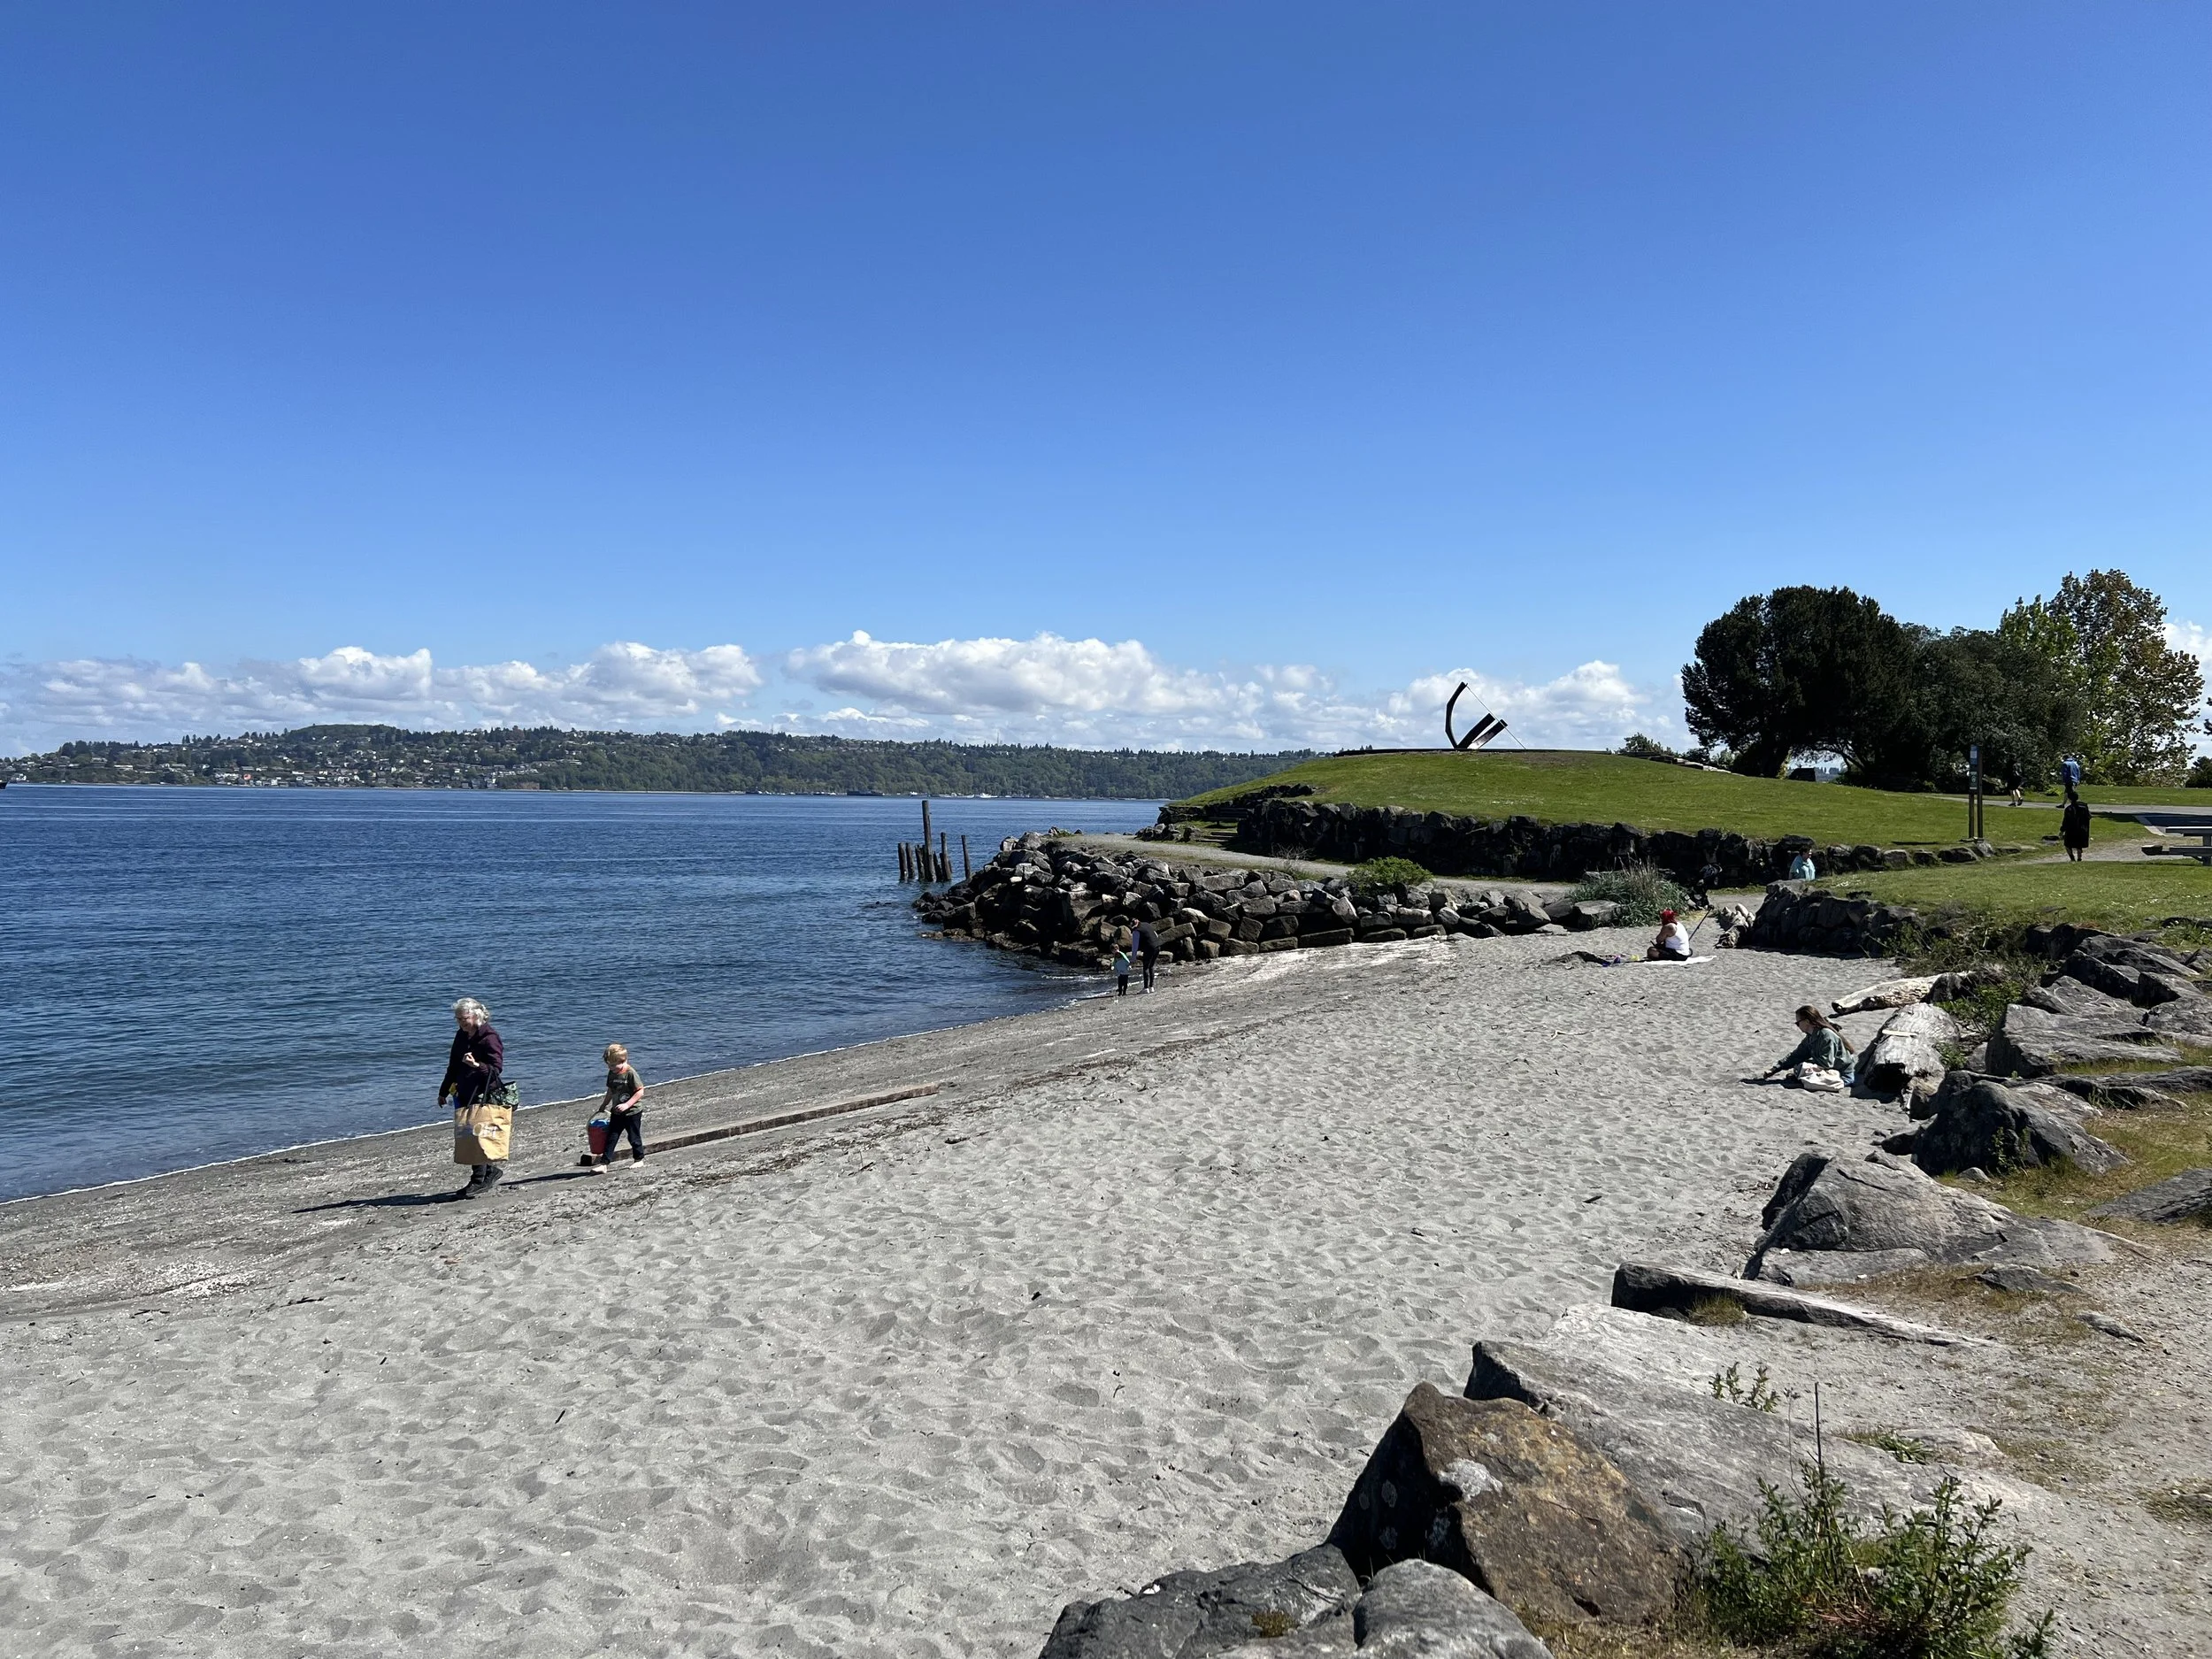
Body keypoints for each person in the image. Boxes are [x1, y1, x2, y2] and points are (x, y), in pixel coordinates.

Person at [441, 997, 506, 1198]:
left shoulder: (490, 1037)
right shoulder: (461, 1035)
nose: (461, 1022)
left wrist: (476, 1065)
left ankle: (479, 1180)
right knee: (470, 1135)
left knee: (477, 1135)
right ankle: (489, 1172)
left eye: (464, 1018)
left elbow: (496, 1069)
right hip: (463, 1091)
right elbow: (453, 1065)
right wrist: (443, 1091)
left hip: (483, 1093)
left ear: (476, 1015)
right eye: (458, 1019)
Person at [1755, 1005, 1855, 1087]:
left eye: (1798, 1023)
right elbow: (1796, 1056)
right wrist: (1775, 1069)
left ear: (1807, 1022)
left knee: (1804, 1070)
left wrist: (1805, 1064)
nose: (1797, 1026)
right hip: (1830, 1072)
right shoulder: (1811, 1037)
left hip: (1842, 1076)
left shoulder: (1826, 1036)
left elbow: (1826, 1063)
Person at [592, 1042, 647, 1171]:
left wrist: (627, 1104)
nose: (610, 1068)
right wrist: (604, 1104)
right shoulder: (612, 1073)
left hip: (632, 1111)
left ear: (623, 1061)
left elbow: (640, 1091)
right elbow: (611, 1090)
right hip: (617, 1111)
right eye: (609, 1065)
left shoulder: (630, 1073)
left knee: (633, 1136)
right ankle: (604, 1164)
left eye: (613, 1065)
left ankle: (639, 1159)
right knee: (611, 1136)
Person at [2062, 792, 2091, 863]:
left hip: (2072, 830)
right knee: (2079, 845)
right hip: (2083, 829)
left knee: (2067, 845)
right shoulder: (2084, 807)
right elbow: (2089, 816)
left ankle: (2072, 858)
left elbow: (2066, 820)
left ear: (2069, 799)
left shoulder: (2069, 809)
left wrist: (2062, 830)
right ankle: (2079, 858)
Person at [1135, 920, 1161, 993]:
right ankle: (1151, 987)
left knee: (1146, 967)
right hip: (1157, 946)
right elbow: (1156, 935)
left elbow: (1136, 943)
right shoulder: (1146, 924)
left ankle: (1146, 988)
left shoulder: (1137, 930)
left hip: (1149, 948)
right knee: (1151, 966)